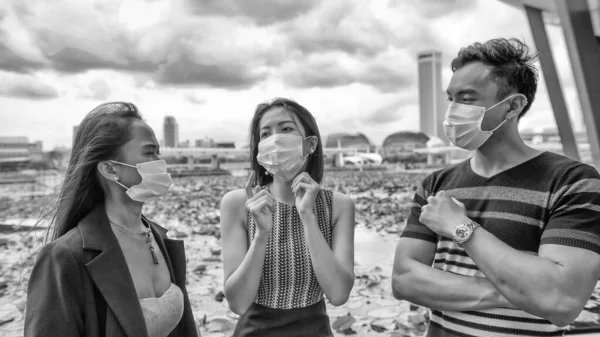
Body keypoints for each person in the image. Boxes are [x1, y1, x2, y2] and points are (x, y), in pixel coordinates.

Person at [392, 38, 600, 337]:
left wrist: (461, 227)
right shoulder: (436, 185)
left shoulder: (573, 182)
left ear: (512, 106)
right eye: (450, 98)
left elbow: (560, 300)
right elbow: (403, 281)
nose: (452, 110)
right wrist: (518, 293)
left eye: (467, 98)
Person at [25, 102, 199, 337]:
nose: (161, 162)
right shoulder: (65, 256)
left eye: (159, 152)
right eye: (149, 152)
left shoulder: (160, 238)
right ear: (109, 169)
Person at [220, 98, 355, 337]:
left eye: (286, 129)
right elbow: (238, 303)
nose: (274, 139)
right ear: (260, 150)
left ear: (310, 144)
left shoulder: (339, 205)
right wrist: (262, 234)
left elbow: (339, 294)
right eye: (265, 134)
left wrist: (308, 217)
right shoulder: (238, 204)